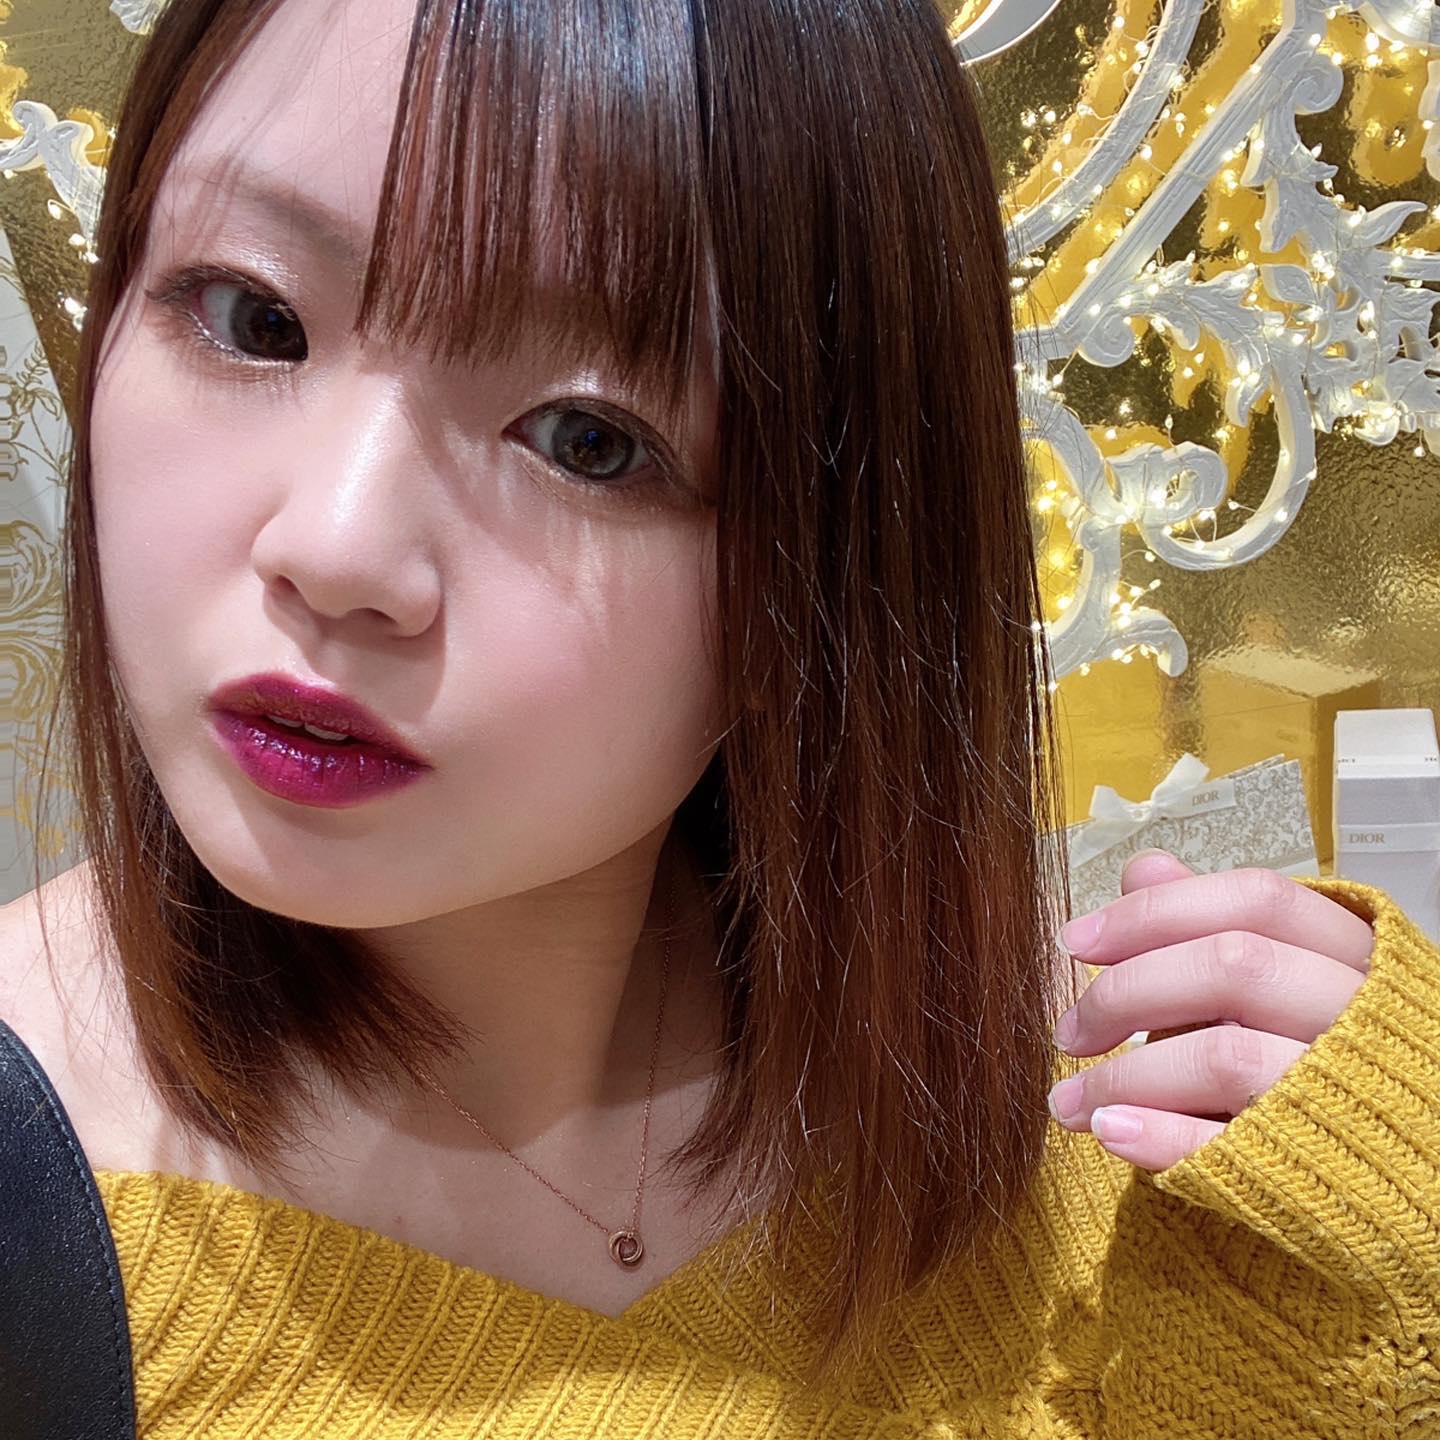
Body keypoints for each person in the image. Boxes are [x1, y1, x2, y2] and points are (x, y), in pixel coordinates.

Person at [2, 0, 1434, 1433]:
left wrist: (1364, 1288)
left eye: (589, 440)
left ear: (838, 572)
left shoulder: (1045, 1094)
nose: (336, 548)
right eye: (254, 318)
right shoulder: (43, 1220)